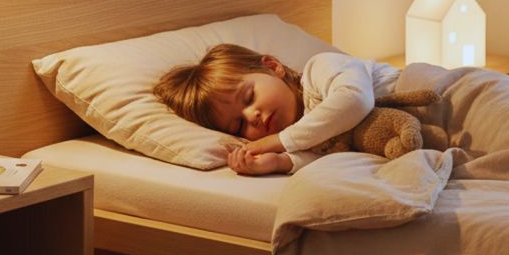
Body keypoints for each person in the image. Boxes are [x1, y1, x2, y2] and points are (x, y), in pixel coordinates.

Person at [153, 43, 400, 175]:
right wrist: (278, 163)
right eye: (239, 125)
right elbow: (329, 152)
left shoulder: (320, 69)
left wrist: (278, 141)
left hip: (422, 91)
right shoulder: (305, 132)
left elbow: (355, 101)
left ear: (272, 67)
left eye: (248, 97)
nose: (252, 117)